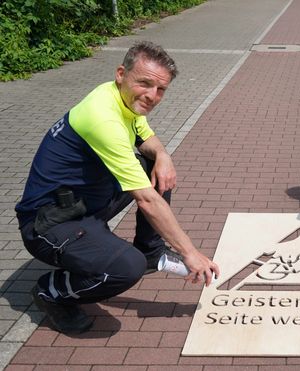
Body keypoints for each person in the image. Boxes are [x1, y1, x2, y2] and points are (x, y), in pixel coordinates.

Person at [15, 41, 220, 334]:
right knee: (126, 267)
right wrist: (189, 252)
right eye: (145, 84)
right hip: (48, 224)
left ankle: (150, 252)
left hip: (82, 203)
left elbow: (145, 137)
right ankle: (52, 291)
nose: (152, 96)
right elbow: (147, 200)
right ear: (121, 73)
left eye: (161, 89)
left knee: (154, 168)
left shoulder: (123, 99)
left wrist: (163, 156)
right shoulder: (103, 117)